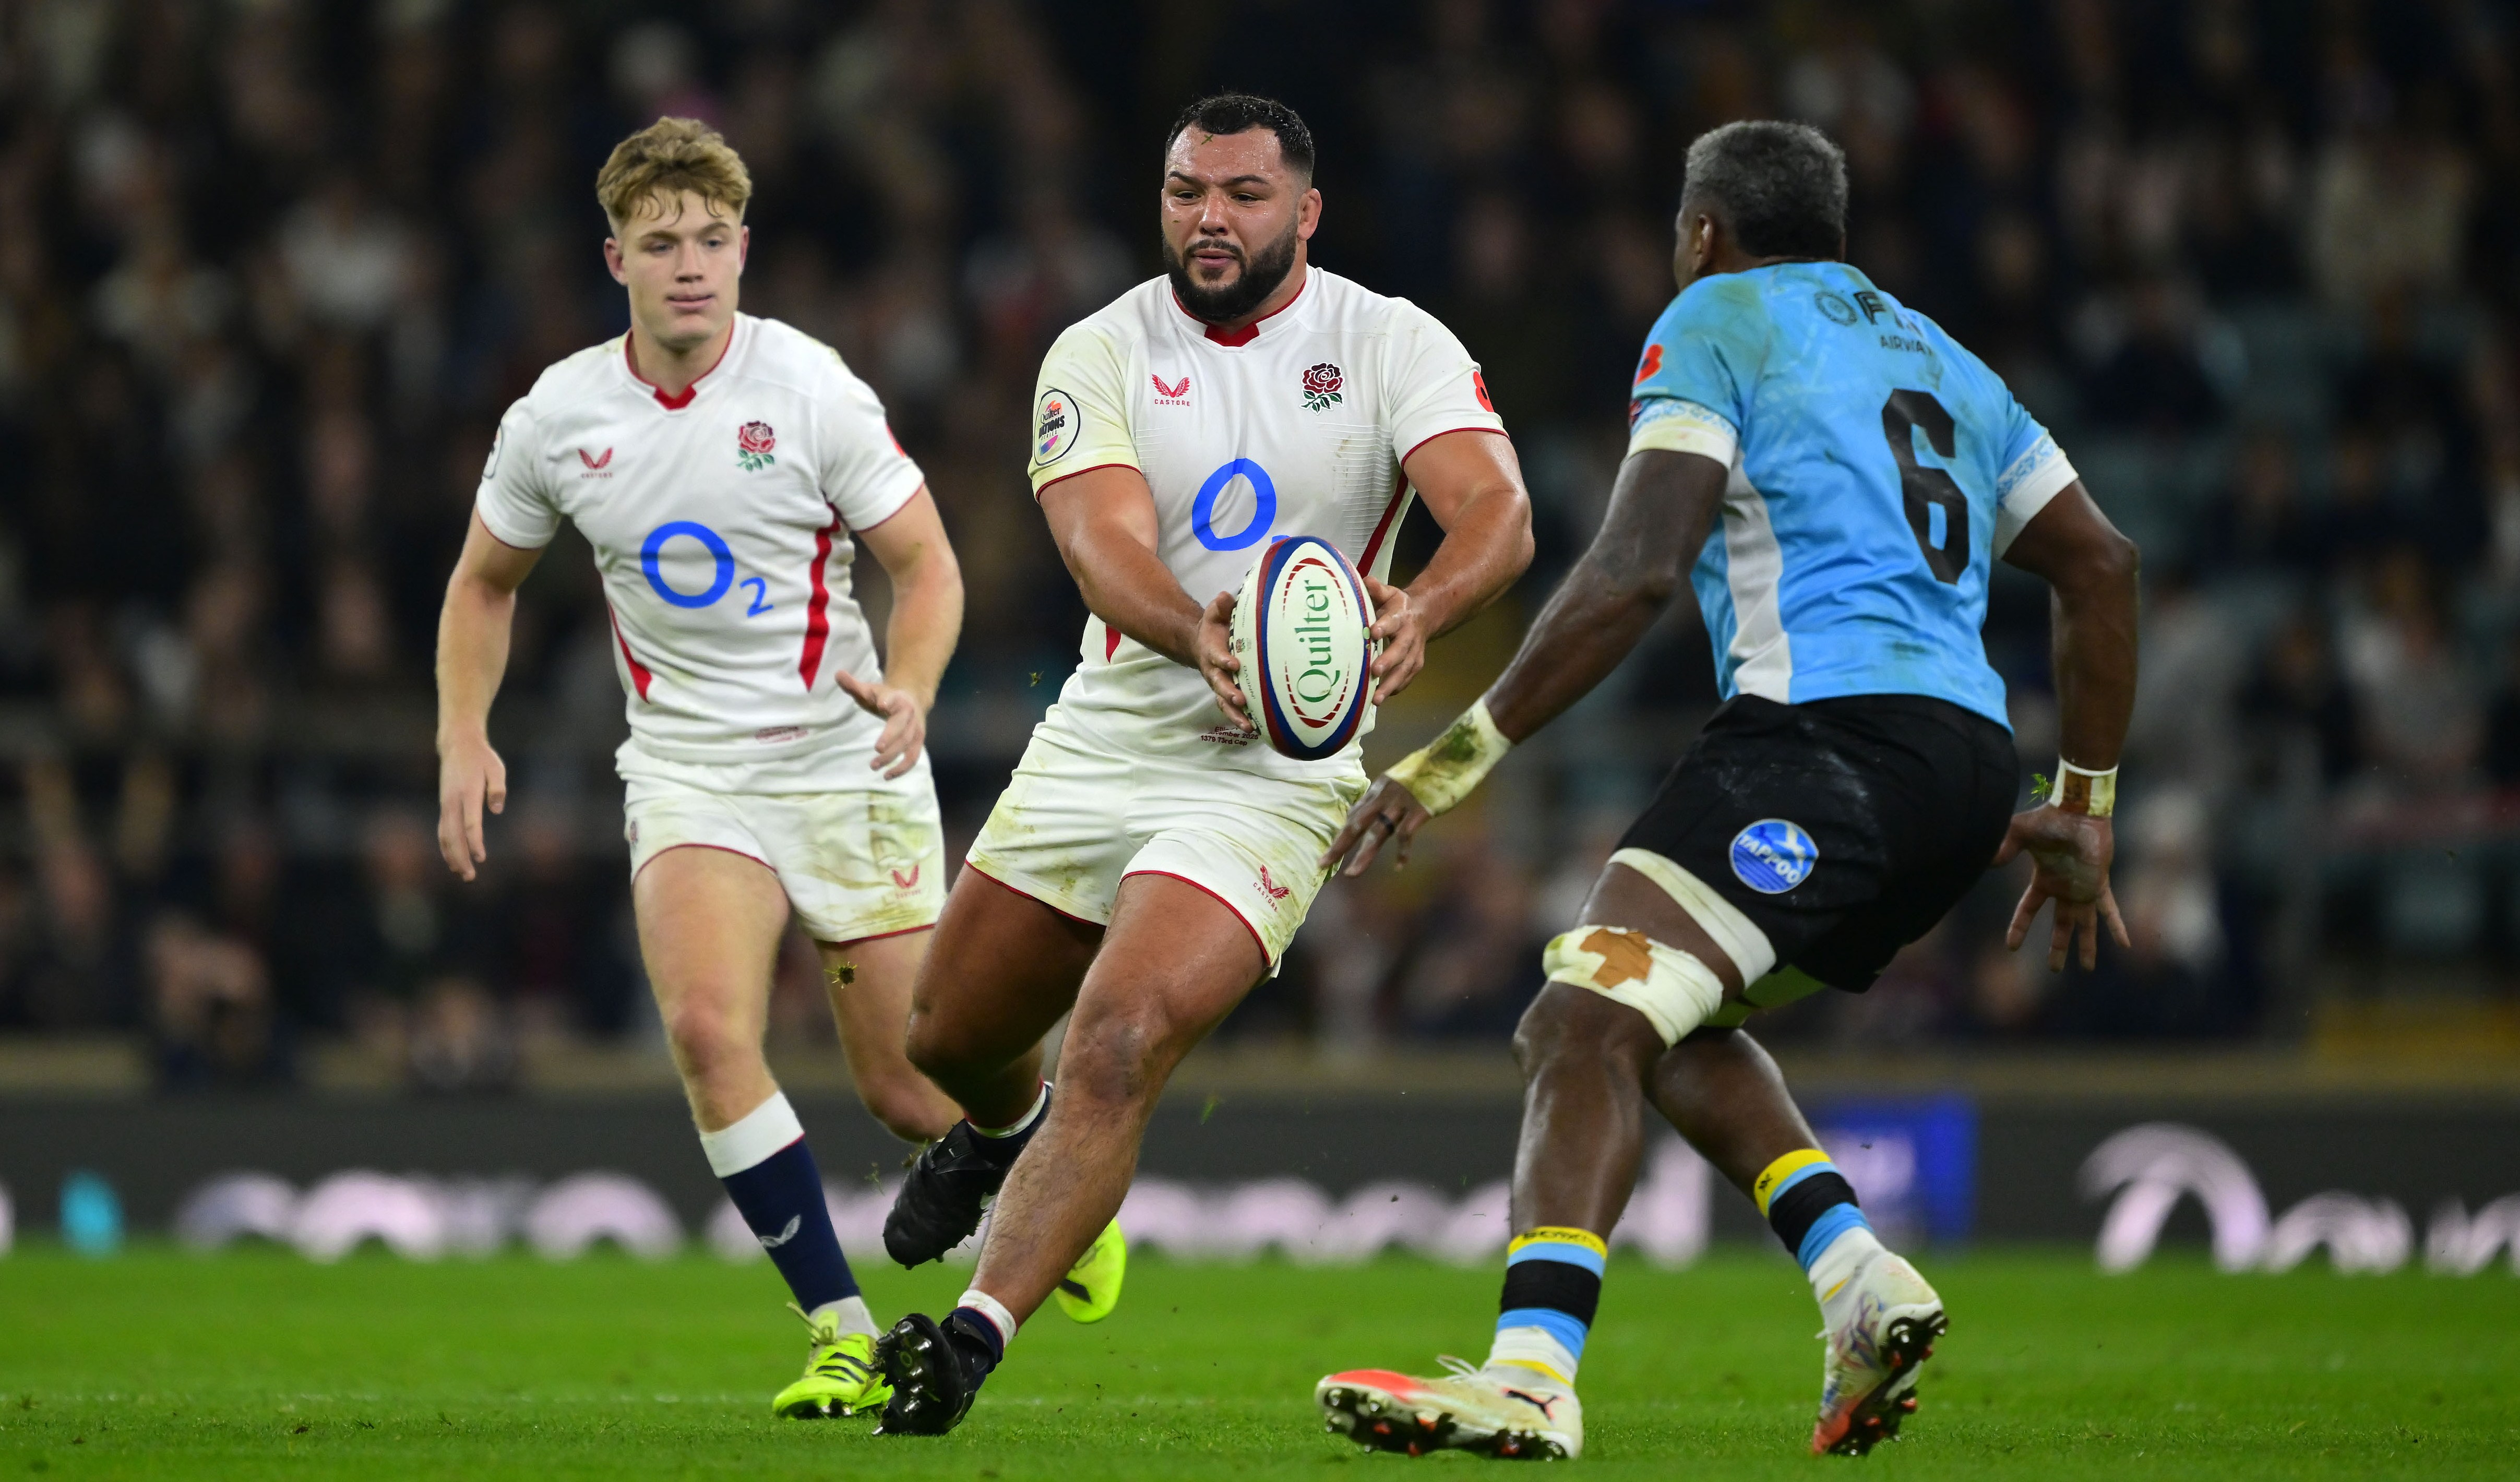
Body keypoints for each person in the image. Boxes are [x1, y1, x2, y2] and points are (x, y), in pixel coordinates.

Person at [1311, 120, 2139, 1460]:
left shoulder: (1711, 320)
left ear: (1702, 232)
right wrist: (2085, 805)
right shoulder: (1948, 359)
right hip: (1969, 773)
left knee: (1576, 1022)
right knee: (1666, 1019)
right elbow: (2103, 567)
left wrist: (1455, 753)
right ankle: (1858, 1279)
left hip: (1823, 741)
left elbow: (1638, 569)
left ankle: (1530, 1378)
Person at [868, 94, 1535, 1436]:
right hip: (1117, 719)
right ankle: (1001, 1134)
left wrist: (1420, 606)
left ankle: (971, 1342)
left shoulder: (1389, 340)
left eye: (1240, 195)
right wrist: (1192, 632)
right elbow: (1095, 537)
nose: (1210, 219)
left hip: (1276, 770)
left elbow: (1499, 514)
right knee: (943, 1034)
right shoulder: (1101, 345)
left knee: (1120, 1040)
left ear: (1306, 210)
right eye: (1186, 193)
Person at [437, 116, 1042, 1420]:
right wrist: (462, 732)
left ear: (745, 249)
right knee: (713, 1030)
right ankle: (840, 1332)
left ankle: (1038, 1159)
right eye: (663, 244)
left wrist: (918, 691)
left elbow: (928, 565)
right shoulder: (558, 416)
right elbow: (484, 584)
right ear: (617, 261)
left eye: (713, 240)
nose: (691, 265)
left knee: (906, 1084)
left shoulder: (813, 388)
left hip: (844, 752)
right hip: (687, 771)